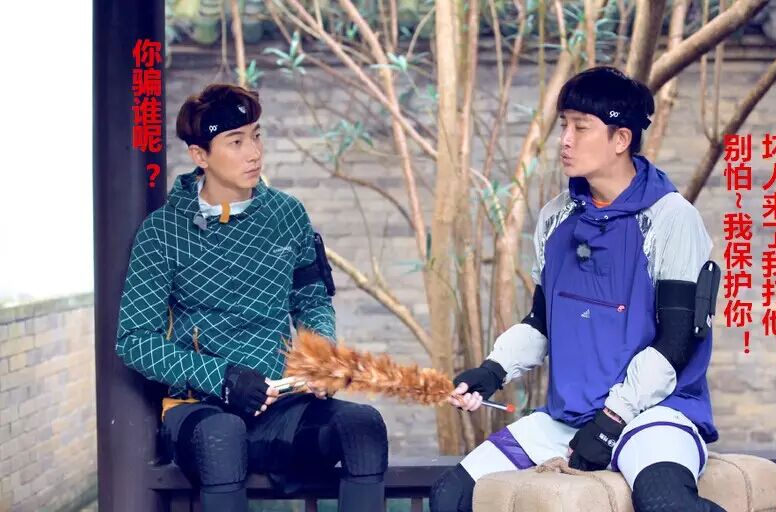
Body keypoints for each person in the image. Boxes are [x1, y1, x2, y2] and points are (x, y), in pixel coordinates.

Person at [430, 66, 724, 512]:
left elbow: (677, 341)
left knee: (665, 503)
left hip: (654, 416)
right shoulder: (556, 217)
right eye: (564, 125)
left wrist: (612, 420)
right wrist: (491, 371)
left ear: (621, 139)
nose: (565, 140)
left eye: (581, 127)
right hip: (567, 419)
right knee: (450, 497)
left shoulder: (671, 218)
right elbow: (541, 322)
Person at [116, 83, 388, 512]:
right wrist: (222, 377)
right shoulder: (162, 232)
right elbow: (134, 339)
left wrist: (320, 356)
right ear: (200, 155)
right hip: (202, 408)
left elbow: (312, 300)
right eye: (236, 141)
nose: (254, 153)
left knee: (363, 428)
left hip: (282, 405)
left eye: (256, 136)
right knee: (223, 438)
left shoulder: (287, 214)